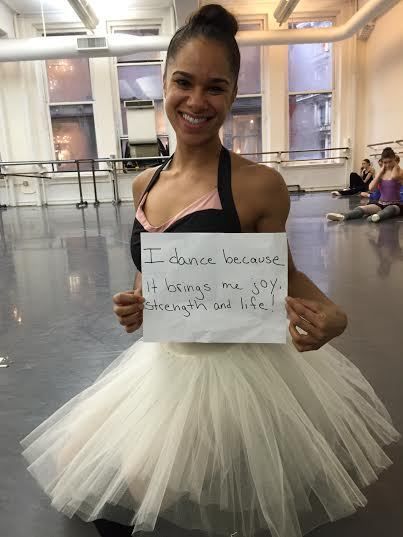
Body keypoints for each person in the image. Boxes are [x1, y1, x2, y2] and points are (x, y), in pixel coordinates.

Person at [21, 6, 400, 537]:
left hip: (233, 365)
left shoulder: (257, 185)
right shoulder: (144, 186)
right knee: (74, 461)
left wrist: (334, 315)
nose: (197, 101)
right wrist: (138, 301)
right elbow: (154, 270)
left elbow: (282, 274)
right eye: (184, 82)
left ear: (232, 93)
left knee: (144, 482)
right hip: (165, 361)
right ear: (164, 82)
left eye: (215, 87)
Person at [326, 147, 403, 223]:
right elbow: (371, 188)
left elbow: (394, 176)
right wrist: (380, 173)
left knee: (390, 210)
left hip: (395, 205)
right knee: (362, 209)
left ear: (394, 160)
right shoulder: (381, 174)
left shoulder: (400, 171)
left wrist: (396, 165)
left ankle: (377, 217)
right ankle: (344, 216)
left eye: (390, 162)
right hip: (380, 204)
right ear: (382, 162)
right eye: (385, 163)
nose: (388, 165)